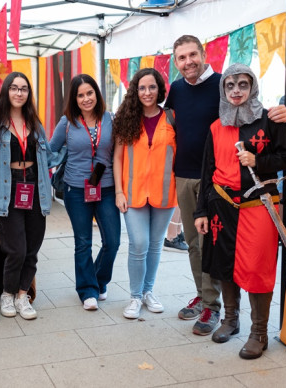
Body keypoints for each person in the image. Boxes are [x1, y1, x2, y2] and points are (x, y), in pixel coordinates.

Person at [165, 35, 286, 335]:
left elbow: (252, 115)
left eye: (192, 54)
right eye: (181, 58)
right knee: (198, 246)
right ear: (175, 61)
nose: (188, 62)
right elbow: (170, 120)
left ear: (204, 53)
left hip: (227, 187)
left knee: (224, 250)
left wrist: (280, 112)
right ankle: (206, 299)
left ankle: (216, 308)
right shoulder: (177, 89)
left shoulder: (225, 82)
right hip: (187, 175)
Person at [194, 63, 286, 359]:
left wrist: (258, 160)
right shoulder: (216, 127)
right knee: (224, 265)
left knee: (257, 268)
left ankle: (259, 333)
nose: (236, 91)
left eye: (243, 84)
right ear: (223, 89)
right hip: (221, 206)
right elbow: (208, 171)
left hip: (258, 206)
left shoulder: (270, 121)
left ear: (252, 86)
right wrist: (200, 211)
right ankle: (230, 320)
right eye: (230, 85)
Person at [0, 72, 61, 320]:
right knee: (16, 248)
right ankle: (8, 293)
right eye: (14, 88)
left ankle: (23, 295)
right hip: (8, 187)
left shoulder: (35, 123)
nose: (19, 93)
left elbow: (49, 155)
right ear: (6, 91)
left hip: (35, 185)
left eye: (24, 89)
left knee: (32, 247)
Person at [50, 74, 120, 311]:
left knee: (112, 241)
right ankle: (87, 290)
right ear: (74, 99)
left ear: (97, 94)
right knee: (83, 242)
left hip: (107, 187)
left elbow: (119, 153)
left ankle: (99, 280)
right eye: (80, 95)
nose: (86, 98)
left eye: (89, 93)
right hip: (76, 190)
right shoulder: (67, 122)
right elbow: (51, 150)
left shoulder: (110, 119)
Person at [113, 68, 176, 318]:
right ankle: (135, 296)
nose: (147, 92)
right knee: (138, 243)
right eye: (142, 88)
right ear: (135, 91)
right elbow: (117, 158)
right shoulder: (126, 118)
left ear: (160, 89)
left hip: (164, 192)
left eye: (152, 87)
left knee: (155, 245)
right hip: (133, 191)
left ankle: (149, 291)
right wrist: (119, 191)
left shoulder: (172, 118)